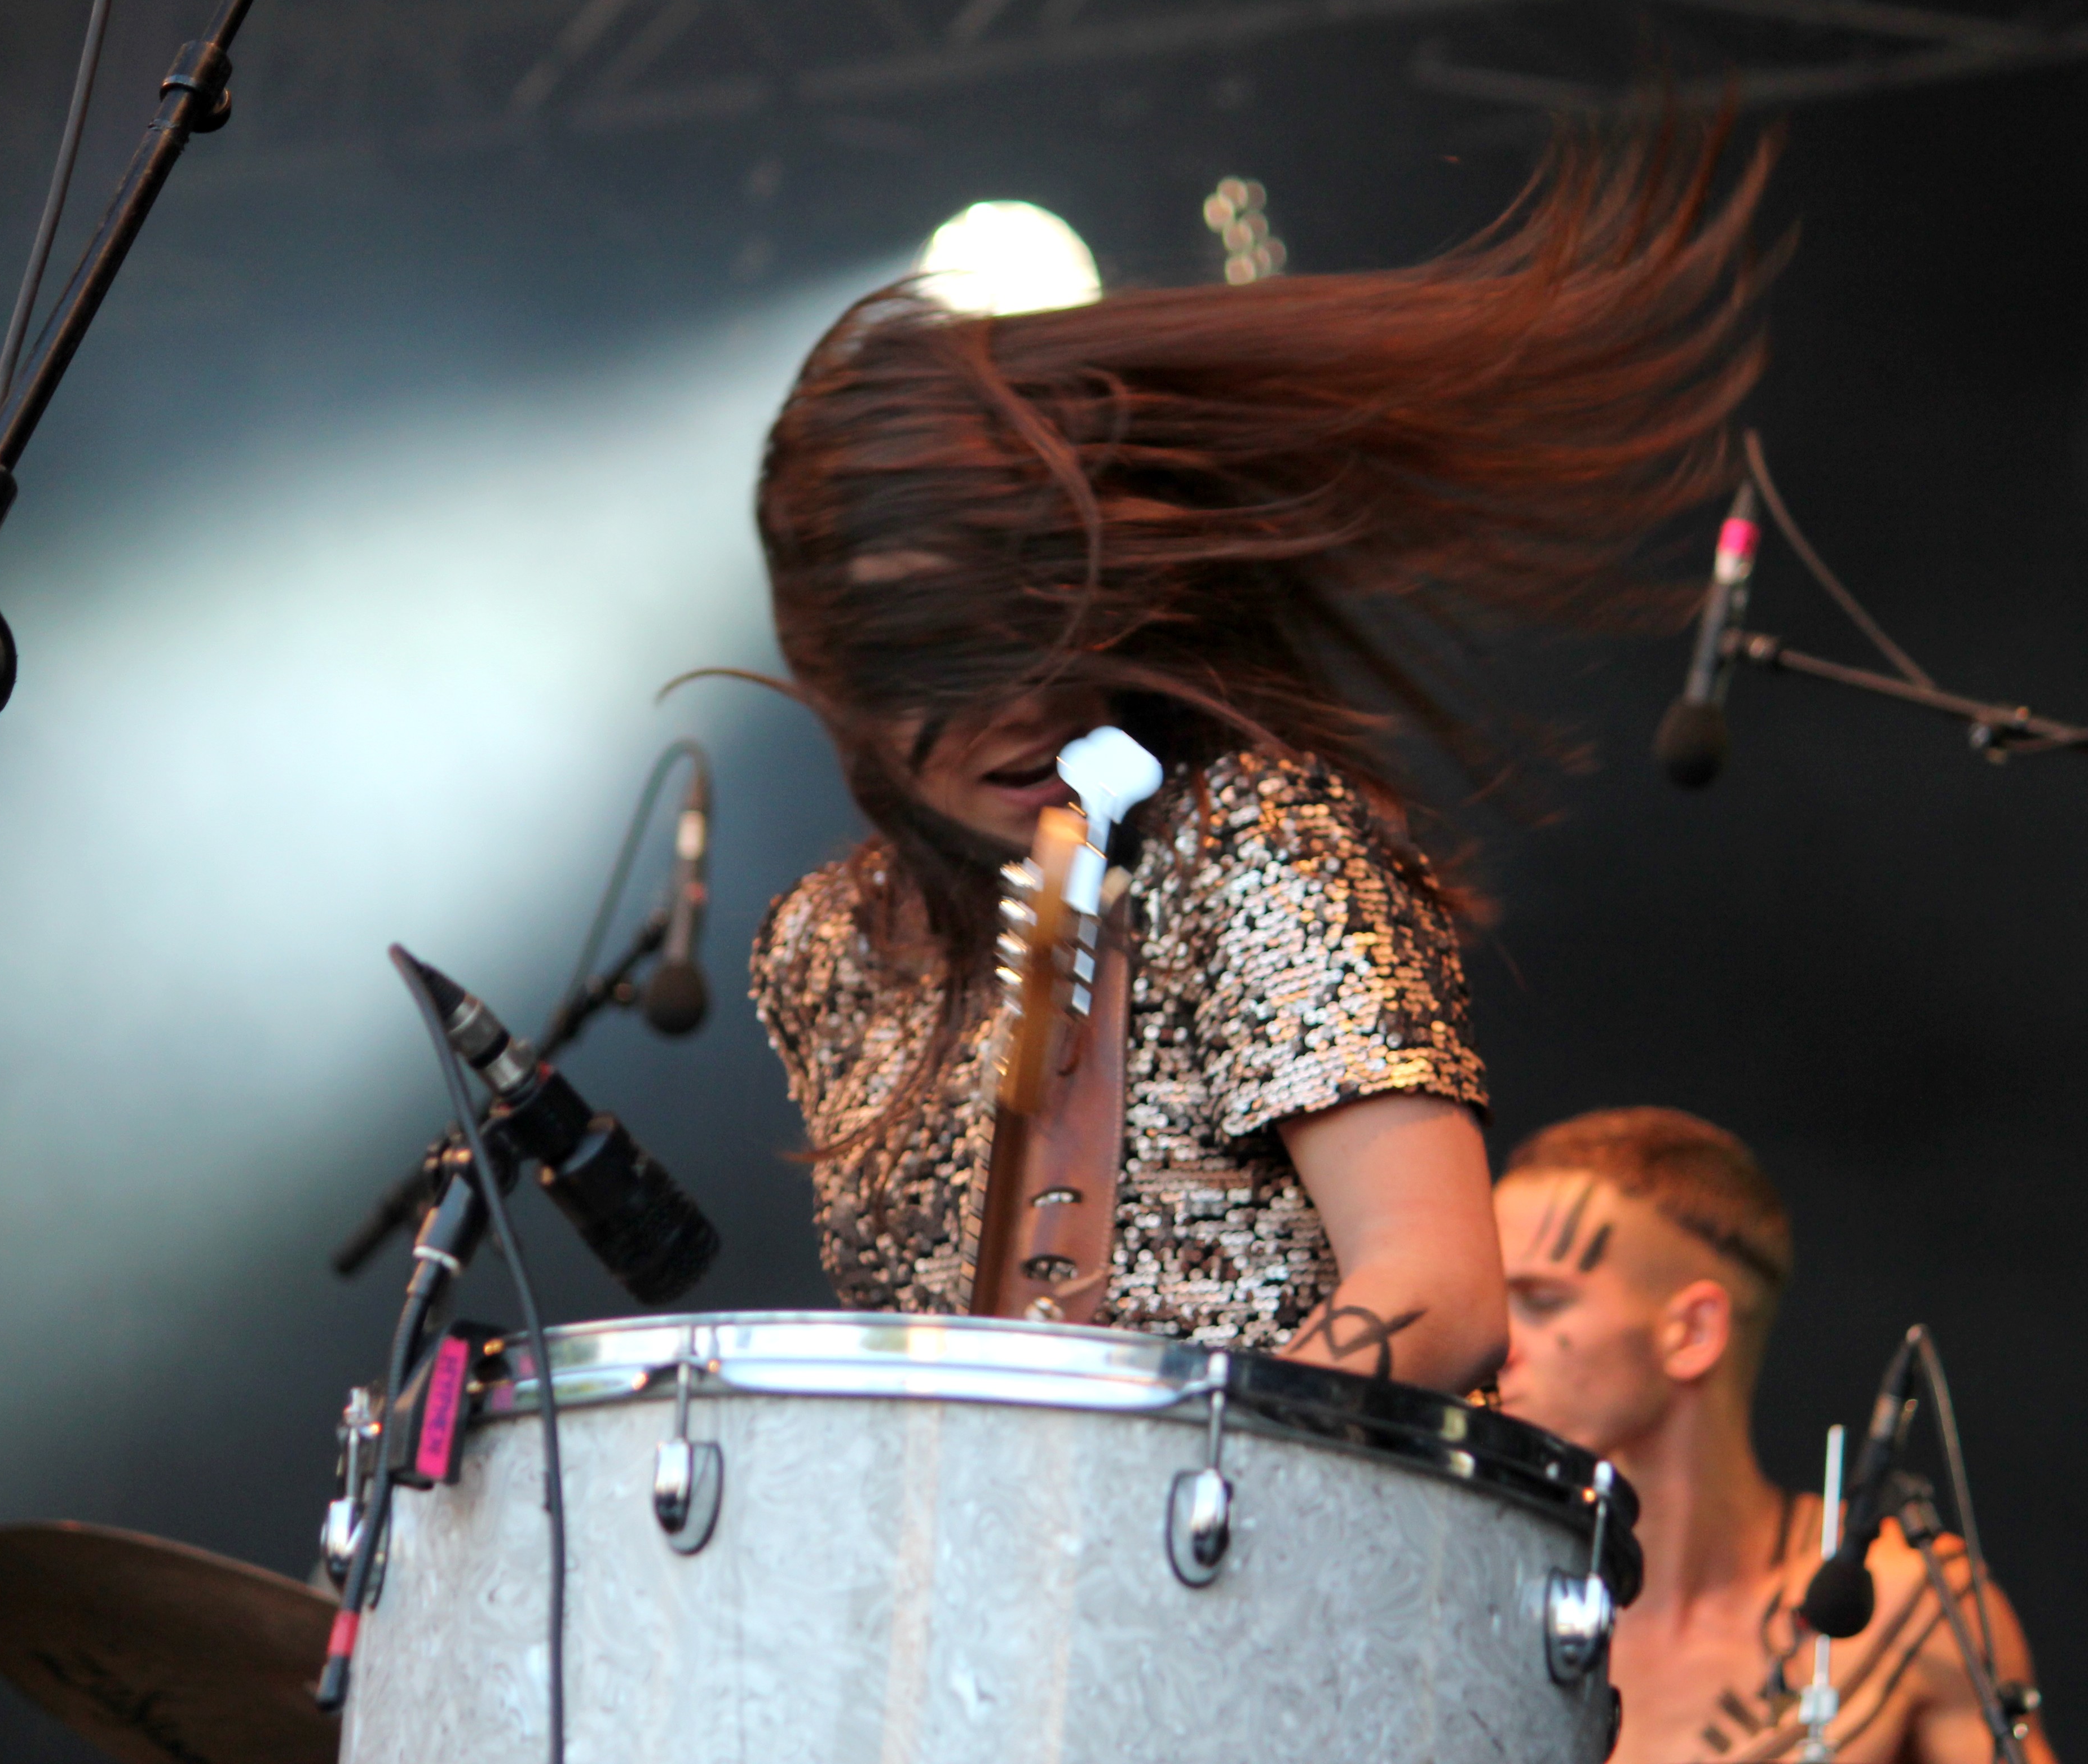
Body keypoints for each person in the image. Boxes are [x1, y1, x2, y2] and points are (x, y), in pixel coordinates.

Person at [743, 121, 1776, 1394]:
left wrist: (1188, 1469)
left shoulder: (1253, 843)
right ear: (828, 671)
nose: (1020, 706)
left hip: (1264, 1517)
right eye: (944, 664)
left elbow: (1440, 1291)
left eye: (1049, 627)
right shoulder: (825, 945)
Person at [1495, 1107, 2057, 1763]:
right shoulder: (1479, 1605)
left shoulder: (1907, 1606)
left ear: (1693, 1332)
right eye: (1490, 1302)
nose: (1497, 1343)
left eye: (1541, 1302)